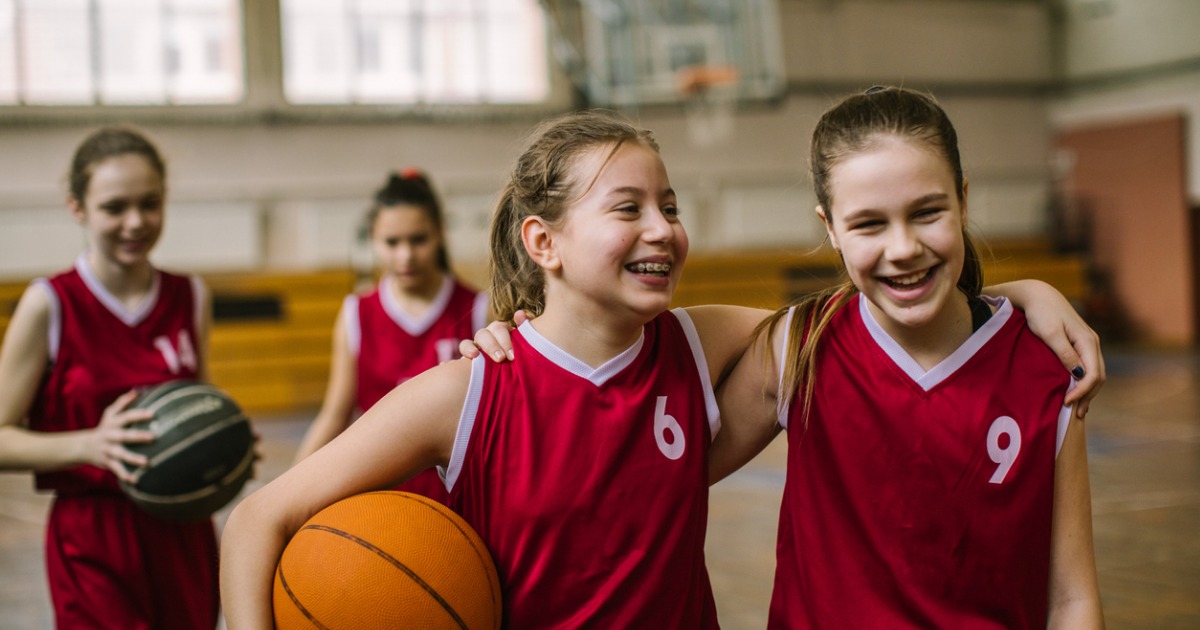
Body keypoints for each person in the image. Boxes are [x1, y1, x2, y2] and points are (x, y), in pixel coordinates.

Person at [221, 110, 1102, 629]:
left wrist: (1019, 293)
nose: (662, 228)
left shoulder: (694, 343)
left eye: (670, 206)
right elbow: (258, 520)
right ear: (544, 242)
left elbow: (871, 312)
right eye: (629, 208)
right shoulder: (470, 389)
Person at [711, 86, 1103, 627]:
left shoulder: (1046, 368)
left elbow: (1072, 599)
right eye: (869, 223)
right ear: (830, 229)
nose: (902, 248)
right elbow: (666, 481)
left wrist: (1027, 293)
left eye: (926, 213)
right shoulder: (798, 347)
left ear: (963, 201)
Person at [0, 127, 222, 629]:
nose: (135, 222)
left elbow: (201, 400)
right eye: (115, 208)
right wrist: (89, 445)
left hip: (182, 528)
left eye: (150, 204)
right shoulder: (49, 303)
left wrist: (223, 444)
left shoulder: (191, 295)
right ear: (77, 207)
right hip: (93, 534)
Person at [291, 169, 488, 503]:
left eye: (418, 239)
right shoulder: (356, 313)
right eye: (392, 242)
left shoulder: (479, 309)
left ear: (440, 232)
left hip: (457, 499)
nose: (405, 255)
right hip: (377, 496)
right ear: (373, 238)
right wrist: (287, 490)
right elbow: (335, 415)